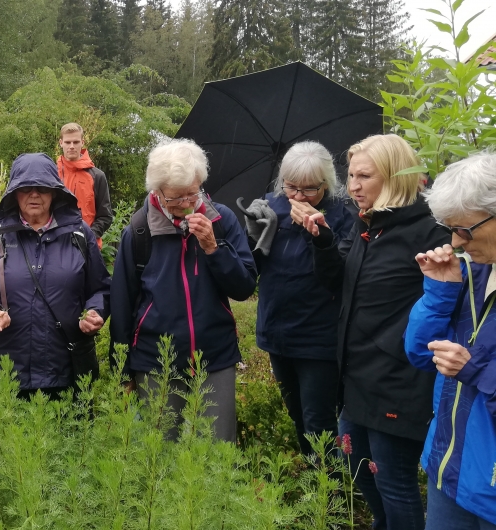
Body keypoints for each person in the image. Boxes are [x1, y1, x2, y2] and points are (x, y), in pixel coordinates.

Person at [299, 134, 450, 530]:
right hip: (357, 376)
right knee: (357, 468)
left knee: (394, 481)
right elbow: (338, 284)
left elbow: (446, 304)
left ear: (394, 177)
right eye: (351, 176)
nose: (353, 187)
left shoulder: (431, 232)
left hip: (399, 379)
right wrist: (324, 241)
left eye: (364, 176)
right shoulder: (370, 228)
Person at [110, 139, 257, 443]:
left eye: (194, 193)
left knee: (219, 450)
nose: (188, 203)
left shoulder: (222, 220)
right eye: (176, 197)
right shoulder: (139, 231)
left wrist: (214, 249)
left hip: (215, 355)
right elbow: (122, 303)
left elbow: (244, 287)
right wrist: (122, 371)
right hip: (156, 359)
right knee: (159, 453)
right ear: (157, 191)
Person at [0, 153, 111, 396]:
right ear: (14, 193)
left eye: (43, 188)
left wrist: (95, 311)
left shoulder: (79, 234)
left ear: (55, 192)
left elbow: (101, 288)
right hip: (8, 371)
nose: (34, 194)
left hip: (67, 370)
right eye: (26, 188)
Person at [243, 141, 355, 455]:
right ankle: (314, 478)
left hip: (320, 337)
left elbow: (336, 280)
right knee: (296, 413)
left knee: (318, 419)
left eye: (309, 190)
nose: (298, 196)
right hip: (278, 329)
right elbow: (252, 270)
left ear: (327, 185)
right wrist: (254, 234)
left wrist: (319, 236)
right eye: (291, 187)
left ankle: (331, 493)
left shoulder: (343, 216)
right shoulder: (269, 207)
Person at [405, 153, 496, 529]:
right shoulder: (475, 272)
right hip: (449, 467)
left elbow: (467, 368)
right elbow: (420, 354)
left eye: (466, 230)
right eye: (450, 228)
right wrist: (440, 291)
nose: (456, 241)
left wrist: (473, 369)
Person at [57, 122, 113, 244]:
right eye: (67, 142)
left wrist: (88, 236)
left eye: (76, 142)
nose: (71, 146)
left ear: (82, 142)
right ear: (61, 143)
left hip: (87, 247)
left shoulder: (97, 176)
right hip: (55, 245)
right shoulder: (51, 175)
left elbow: (105, 216)